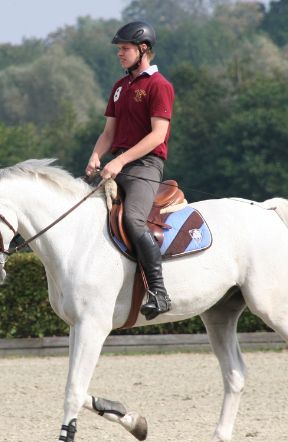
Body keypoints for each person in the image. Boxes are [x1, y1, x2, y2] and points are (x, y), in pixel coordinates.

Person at [85, 21, 174, 320]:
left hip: (146, 166)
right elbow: (108, 133)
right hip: (115, 165)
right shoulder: (120, 87)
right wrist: (96, 155)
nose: (120, 54)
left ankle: (159, 292)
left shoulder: (159, 85)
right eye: (119, 49)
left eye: (125, 49)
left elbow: (157, 136)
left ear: (143, 49)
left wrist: (120, 161)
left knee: (135, 221)